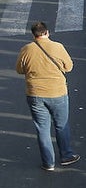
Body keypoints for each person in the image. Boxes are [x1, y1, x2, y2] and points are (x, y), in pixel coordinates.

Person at [16, 21, 78, 171]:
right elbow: (69, 67)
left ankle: (48, 163)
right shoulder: (58, 47)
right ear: (47, 32)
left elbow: (19, 69)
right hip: (57, 93)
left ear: (33, 35)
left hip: (35, 94)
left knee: (42, 128)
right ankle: (66, 155)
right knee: (61, 125)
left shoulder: (26, 49)